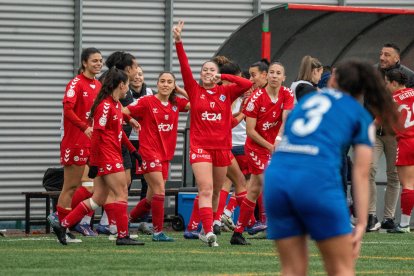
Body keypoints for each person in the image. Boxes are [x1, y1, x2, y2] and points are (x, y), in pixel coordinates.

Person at [264, 60, 398, 275]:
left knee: (291, 269)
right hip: (314, 181)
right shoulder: (358, 113)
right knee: (341, 268)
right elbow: (362, 173)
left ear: (333, 79)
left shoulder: (308, 102)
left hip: (276, 180)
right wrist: (362, 223)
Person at [173, 20, 252, 247]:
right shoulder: (194, 90)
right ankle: (208, 232)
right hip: (200, 146)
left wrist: (226, 78)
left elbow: (246, 83)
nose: (208, 73)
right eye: (205, 70)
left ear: (217, 74)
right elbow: (184, 66)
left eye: (212, 70)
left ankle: (208, 225)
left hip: (222, 148)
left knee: (217, 190)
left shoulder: (226, 92)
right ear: (200, 75)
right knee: (206, 188)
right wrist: (179, 41)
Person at [51, 67, 144, 246]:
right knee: (121, 192)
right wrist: (93, 162)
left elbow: (119, 133)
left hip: (112, 154)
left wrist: (133, 151)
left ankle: (63, 225)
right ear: (121, 85)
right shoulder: (105, 106)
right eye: (127, 85)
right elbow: (96, 136)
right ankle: (122, 235)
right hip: (107, 156)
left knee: (98, 198)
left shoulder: (116, 104)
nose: (128, 89)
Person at [230, 61, 294, 245]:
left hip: (272, 146)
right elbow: (250, 131)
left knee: (254, 190)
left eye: (278, 73)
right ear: (267, 76)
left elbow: (285, 121)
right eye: (271, 72)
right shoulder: (255, 99)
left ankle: (238, 232)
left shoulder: (287, 93)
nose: (274, 76)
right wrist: (270, 146)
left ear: (284, 77)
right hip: (256, 148)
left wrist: (279, 141)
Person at [125, 72, 189, 242]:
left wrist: (181, 90)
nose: (165, 85)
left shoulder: (176, 103)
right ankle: (158, 232)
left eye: (169, 82)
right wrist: (130, 120)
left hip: (165, 155)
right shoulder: (147, 101)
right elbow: (123, 110)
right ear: (157, 84)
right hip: (148, 152)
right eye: (162, 81)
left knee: (151, 197)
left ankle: (125, 222)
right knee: (160, 190)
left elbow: (197, 102)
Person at [48, 48, 103, 241]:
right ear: (84, 63)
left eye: (100, 61)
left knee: (90, 187)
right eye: (94, 61)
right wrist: (83, 127)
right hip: (75, 142)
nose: (98, 64)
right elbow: (68, 109)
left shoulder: (97, 85)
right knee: (70, 187)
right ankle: (62, 227)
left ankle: (63, 222)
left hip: (90, 143)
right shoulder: (75, 84)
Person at [367, 43, 414, 231]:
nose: (382, 57)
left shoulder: (392, 99)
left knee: (402, 181)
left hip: (399, 138)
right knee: (370, 170)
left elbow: (377, 120)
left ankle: (397, 221)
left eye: (387, 54)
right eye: (381, 53)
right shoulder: (371, 73)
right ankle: (372, 215)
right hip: (405, 137)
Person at [385, 70, 414, 233]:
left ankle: (404, 224)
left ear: (394, 83)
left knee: (408, 185)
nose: (385, 86)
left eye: (386, 82)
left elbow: (380, 121)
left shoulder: (392, 99)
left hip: (407, 142)